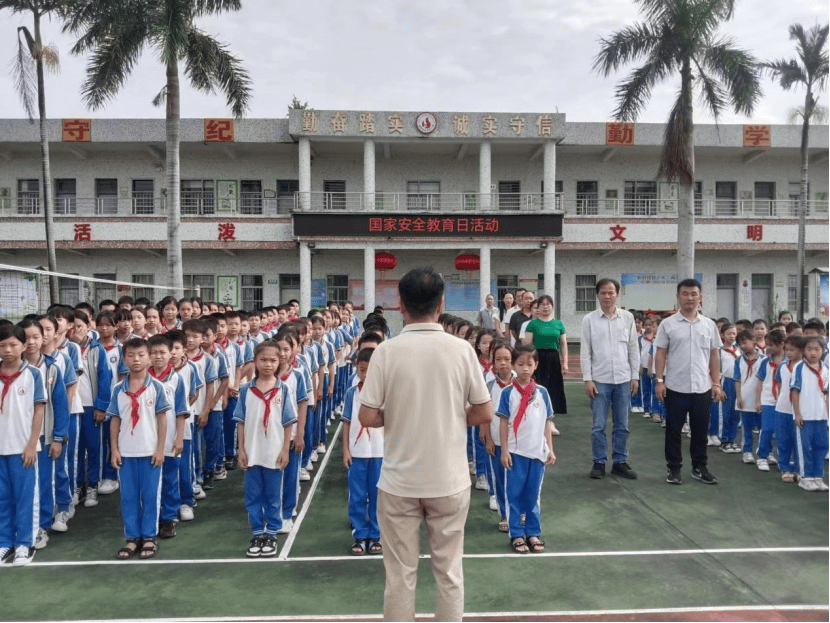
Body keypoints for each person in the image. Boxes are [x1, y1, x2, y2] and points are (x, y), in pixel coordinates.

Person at [358, 267, 492, 622]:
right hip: (448, 480)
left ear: (400, 304)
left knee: (400, 576)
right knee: (449, 573)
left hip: (399, 482)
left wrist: (401, 414)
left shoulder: (386, 352)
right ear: (441, 302)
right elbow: (484, 411)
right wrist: (450, 415)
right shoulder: (462, 349)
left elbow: (368, 417)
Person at [654, 279, 724, 485]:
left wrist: (716, 383)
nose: (690, 298)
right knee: (674, 430)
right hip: (676, 386)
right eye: (685, 293)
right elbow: (660, 353)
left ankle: (699, 467)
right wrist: (659, 380)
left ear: (700, 298)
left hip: (702, 387)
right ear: (678, 297)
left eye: (694, 294)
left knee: (700, 430)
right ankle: (674, 469)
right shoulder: (668, 324)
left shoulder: (709, 325)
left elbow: (714, 356)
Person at [108, 337, 170, 560]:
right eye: (131, 355)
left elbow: (162, 419)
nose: (136, 360)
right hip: (126, 453)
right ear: (124, 358)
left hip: (150, 452)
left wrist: (161, 448)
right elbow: (114, 420)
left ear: (149, 357)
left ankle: (149, 537)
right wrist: (114, 449)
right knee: (129, 496)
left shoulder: (156, 387)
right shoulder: (118, 389)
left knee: (151, 495)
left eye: (141, 355)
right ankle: (132, 537)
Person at [234, 340, 297, 557]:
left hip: (274, 451)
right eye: (263, 360)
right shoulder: (246, 390)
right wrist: (241, 449)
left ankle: (271, 532)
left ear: (280, 362)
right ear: (255, 362)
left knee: (272, 495)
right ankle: (257, 532)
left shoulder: (284, 389)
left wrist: (285, 450)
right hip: (252, 452)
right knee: (253, 495)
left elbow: (289, 422)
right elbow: (240, 422)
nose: (268, 364)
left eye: (273, 360)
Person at [497, 344, 555, 554]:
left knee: (532, 496)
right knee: (514, 494)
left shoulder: (542, 393)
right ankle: (517, 534)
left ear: (536, 365)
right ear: (513, 365)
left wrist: (550, 448)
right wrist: (504, 451)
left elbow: (547, 423)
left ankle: (532, 532)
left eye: (529, 364)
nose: (525, 369)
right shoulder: (507, 393)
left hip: (537, 453)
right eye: (520, 364)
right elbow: (503, 423)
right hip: (515, 453)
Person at [580, 278, 640, 480]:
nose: (607, 296)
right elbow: (586, 351)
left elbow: (633, 348)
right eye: (603, 292)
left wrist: (635, 376)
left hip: (623, 379)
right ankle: (599, 462)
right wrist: (588, 379)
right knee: (598, 425)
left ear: (617, 294)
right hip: (600, 380)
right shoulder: (589, 320)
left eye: (611, 292)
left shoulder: (628, 318)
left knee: (622, 425)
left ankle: (620, 462)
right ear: (597, 295)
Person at [19, 319, 69, 551]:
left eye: (35, 337)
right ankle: (20, 527)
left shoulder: (52, 369)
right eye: (26, 338)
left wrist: (58, 437)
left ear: (44, 338)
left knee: (44, 483)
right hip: (17, 438)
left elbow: (60, 406)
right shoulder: (7, 368)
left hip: (45, 437)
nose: (31, 342)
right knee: (19, 485)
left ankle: (41, 526)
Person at [0, 324, 45, 566]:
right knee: (2, 498)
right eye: (2, 345)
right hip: (0, 449)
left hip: (23, 449)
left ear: (23, 346)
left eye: (13, 344)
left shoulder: (33, 374)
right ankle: (5, 542)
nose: (7, 350)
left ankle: (25, 543)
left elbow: (39, 411)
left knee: (25, 497)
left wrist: (31, 444)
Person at [146, 334, 191, 539]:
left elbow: (181, 411)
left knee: (170, 479)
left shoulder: (176, 378)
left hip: (170, 436)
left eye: (162, 352)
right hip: (145, 438)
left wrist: (179, 437)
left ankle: (169, 518)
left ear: (170, 354)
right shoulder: (140, 379)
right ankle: (150, 516)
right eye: (153, 353)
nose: (157, 357)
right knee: (149, 479)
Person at [342, 348, 383, 556]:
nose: (365, 374)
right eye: (361, 369)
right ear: (356, 369)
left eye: (369, 370)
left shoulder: (385, 391)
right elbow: (347, 422)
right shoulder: (352, 393)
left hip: (379, 452)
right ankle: (359, 535)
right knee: (357, 496)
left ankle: (375, 535)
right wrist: (345, 450)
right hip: (357, 452)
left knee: (377, 495)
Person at [71, 310, 113, 507]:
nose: (76, 330)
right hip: (72, 408)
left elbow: (105, 379)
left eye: (80, 326)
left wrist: (101, 406)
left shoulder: (97, 349)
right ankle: (78, 485)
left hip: (90, 406)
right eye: (72, 327)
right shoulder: (66, 350)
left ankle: (93, 486)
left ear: (89, 326)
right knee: (76, 448)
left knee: (94, 447)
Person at [481, 341, 514, 532]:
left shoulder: (522, 384)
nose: (503, 363)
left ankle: (518, 512)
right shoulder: (490, 385)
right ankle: (504, 513)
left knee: (516, 479)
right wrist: (487, 437)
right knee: (500, 479)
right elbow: (486, 414)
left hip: (517, 443)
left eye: (507, 359)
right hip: (497, 440)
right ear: (492, 363)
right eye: (499, 360)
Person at [790, 336, 829, 491]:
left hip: (821, 416)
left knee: (822, 446)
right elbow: (795, 391)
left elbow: (827, 393)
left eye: (817, 349)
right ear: (803, 351)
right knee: (804, 446)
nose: (813, 353)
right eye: (809, 349)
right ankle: (805, 477)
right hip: (805, 416)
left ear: (823, 351)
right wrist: (797, 413)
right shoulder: (799, 367)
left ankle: (818, 476)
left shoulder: (825, 369)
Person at [523, 294, 568, 416]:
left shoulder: (558, 324)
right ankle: (535, 414)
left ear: (552, 307)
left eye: (548, 304)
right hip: (538, 357)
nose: (545, 307)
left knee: (554, 386)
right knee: (538, 385)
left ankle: (550, 417)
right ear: (538, 307)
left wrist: (565, 363)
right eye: (542, 304)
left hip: (553, 357)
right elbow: (527, 345)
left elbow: (563, 344)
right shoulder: (533, 324)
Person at [755, 330, 785, 471]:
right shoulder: (765, 362)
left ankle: (775, 454)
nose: (768, 348)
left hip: (784, 400)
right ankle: (762, 456)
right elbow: (760, 382)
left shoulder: (788, 362)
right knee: (767, 429)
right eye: (766, 345)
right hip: (768, 399)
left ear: (781, 344)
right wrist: (758, 400)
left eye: (771, 345)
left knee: (781, 431)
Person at [775, 335, 803, 482]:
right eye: (787, 350)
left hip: (800, 411)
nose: (789, 353)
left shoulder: (805, 367)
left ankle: (799, 467)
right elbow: (779, 383)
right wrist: (780, 398)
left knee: (798, 440)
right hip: (783, 409)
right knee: (783, 439)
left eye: (792, 350)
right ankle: (784, 466)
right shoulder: (782, 366)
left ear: (801, 350)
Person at [733, 329, 763, 465]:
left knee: (763, 428)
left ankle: (764, 453)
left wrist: (761, 399)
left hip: (761, 399)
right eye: (740, 344)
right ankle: (747, 452)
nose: (743, 346)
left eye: (745, 343)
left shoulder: (764, 360)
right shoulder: (738, 360)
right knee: (747, 428)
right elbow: (737, 380)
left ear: (753, 341)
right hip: (745, 398)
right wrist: (738, 397)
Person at [715, 323, 741, 453]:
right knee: (725, 413)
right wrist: (719, 387)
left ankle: (732, 439)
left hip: (737, 383)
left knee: (736, 414)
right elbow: (716, 370)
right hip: (725, 382)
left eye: (734, 333)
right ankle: (724, 440)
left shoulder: (739, 350)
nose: (732, 336)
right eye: (729, 333)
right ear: (722, 335)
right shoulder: (719, 351)